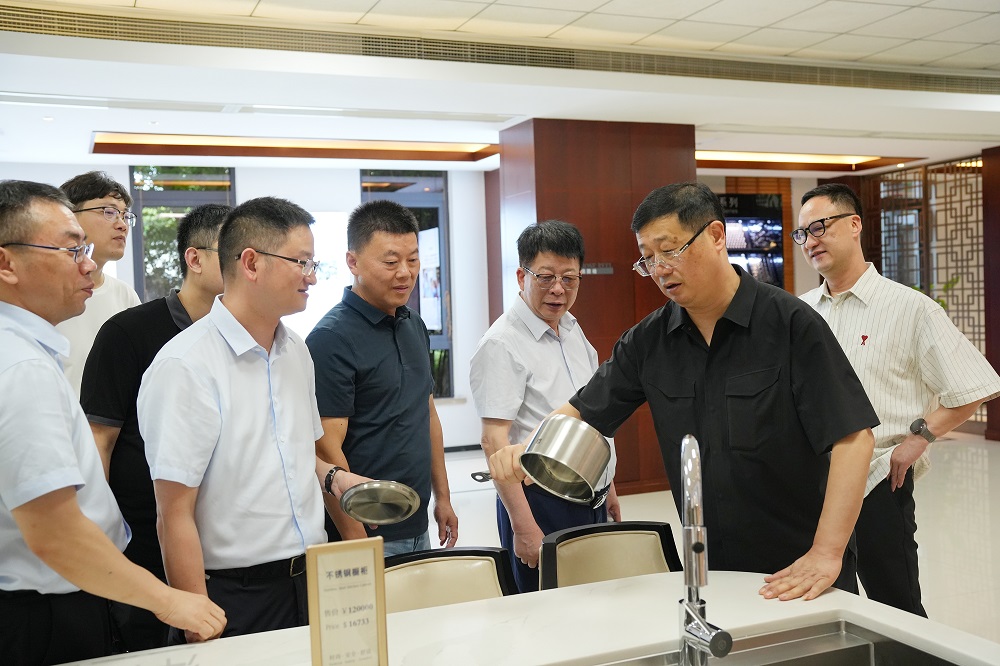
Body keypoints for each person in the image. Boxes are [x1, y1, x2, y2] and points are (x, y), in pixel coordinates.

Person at [489, 181, 879, 602]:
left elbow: (854, 438)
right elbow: (583, 410)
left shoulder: (790, 324)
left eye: (669, 250)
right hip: (712, 566)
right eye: (648, 258)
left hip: (800, 569)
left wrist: (826, 552)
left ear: (716, 236)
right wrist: (526, 448)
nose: (659, 269)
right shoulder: (648, 342)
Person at [0, 180, 225, 665]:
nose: (88, 265)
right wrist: (169, 601)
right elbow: (55, 533)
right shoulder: (21, 367)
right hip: (45, 609)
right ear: (6, 264)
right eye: (70, 250)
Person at [138, 197, 369, 643]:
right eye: (301, 262)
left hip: (312, 579)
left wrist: (334, 477)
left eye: (313, 263)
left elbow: (294, 453)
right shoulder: (185, 365)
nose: (312, 276)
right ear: (250, 263)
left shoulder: (296, 351)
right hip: (235, 595)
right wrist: (197, 622)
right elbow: (173, 513)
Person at [797, 182, 1000, 616]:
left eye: (819, 227)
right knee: (828, 603)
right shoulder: (802, 311)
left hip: (878, 480)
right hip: (814, 483)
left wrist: (919, 438)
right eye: (802, 233)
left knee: (897, 603)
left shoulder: (910, 308)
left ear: (854, 225)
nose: (810, 241)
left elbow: (975, 384)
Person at [80, 203, 230, 651]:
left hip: (225, 543)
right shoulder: (128, 332)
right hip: (146, 538)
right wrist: (102, 538)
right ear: (194, 259)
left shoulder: (248, 337)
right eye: (234, 252)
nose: (249, 265)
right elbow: (100, 441)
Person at [470, 220, 619, 592]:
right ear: (522, 276)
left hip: (589, 493)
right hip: (538, 501)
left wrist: (609, 486)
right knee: (545, 608)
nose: (558, 289)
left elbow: (591, 415)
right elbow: (494, 442)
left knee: (591, 600)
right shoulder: (501, 343)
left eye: (569, 279)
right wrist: (523, 527)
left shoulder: (571, 328)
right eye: (546, 277)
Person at [306, 199, 459, 557]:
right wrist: (358, 540)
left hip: (416, 521)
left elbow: (426, 414)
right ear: (353, 262)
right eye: (391, 262)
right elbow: (326, 449)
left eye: (413, 259)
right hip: (367, 532)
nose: (405, 272)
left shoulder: (413, 323)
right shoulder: (331, 338)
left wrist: (443, 497)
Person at [56, 171, 141, 397]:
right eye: (109, 212)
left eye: (125, 215)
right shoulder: (45, 294)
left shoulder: (125, 296)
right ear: (69, 216)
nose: (122, 225)